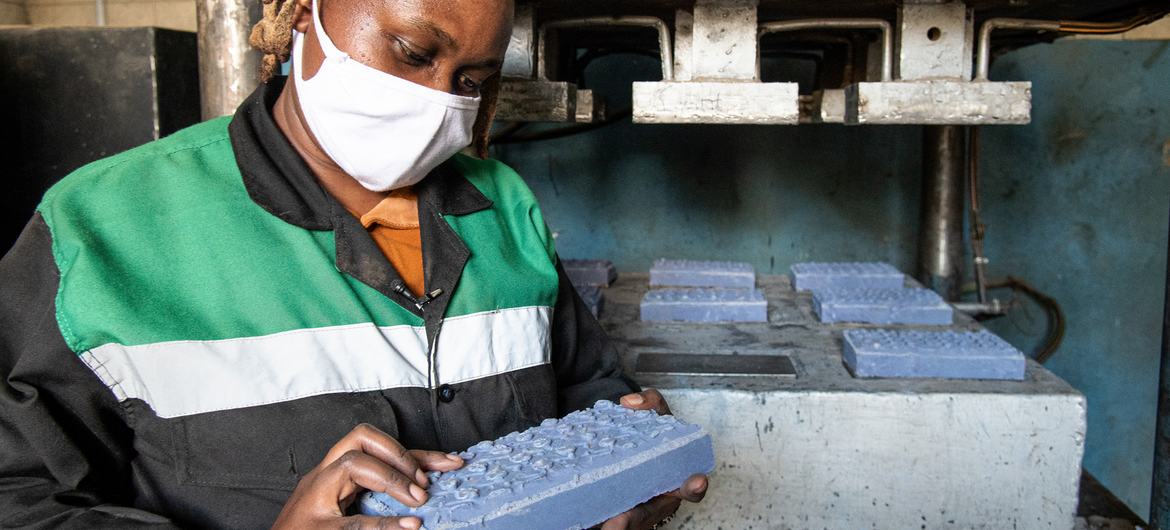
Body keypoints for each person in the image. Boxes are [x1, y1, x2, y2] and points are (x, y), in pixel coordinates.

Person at [0, 0, 708, 527]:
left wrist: (623, 471)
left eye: (470, 79)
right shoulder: (102, 227)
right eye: (408, 51)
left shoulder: (503, 209)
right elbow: (17, 499)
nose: (436, 99)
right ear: (305, 13)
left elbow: (586, 385)